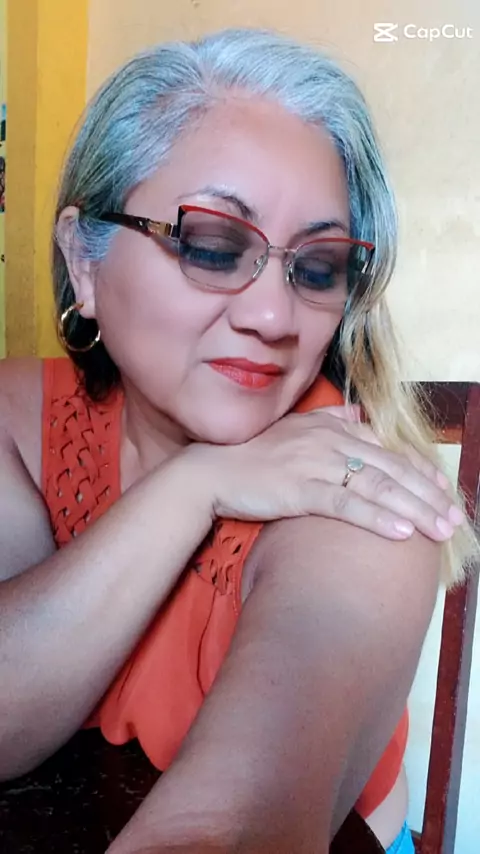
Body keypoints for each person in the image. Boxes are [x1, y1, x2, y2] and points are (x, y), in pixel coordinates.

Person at [0, 27, 476, 854]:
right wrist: (194, 485)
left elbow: (227, 834)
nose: (273, 315)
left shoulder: (362, 502)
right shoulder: (19, 416)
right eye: (214, 246)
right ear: (84, 260)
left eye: (318, 267)